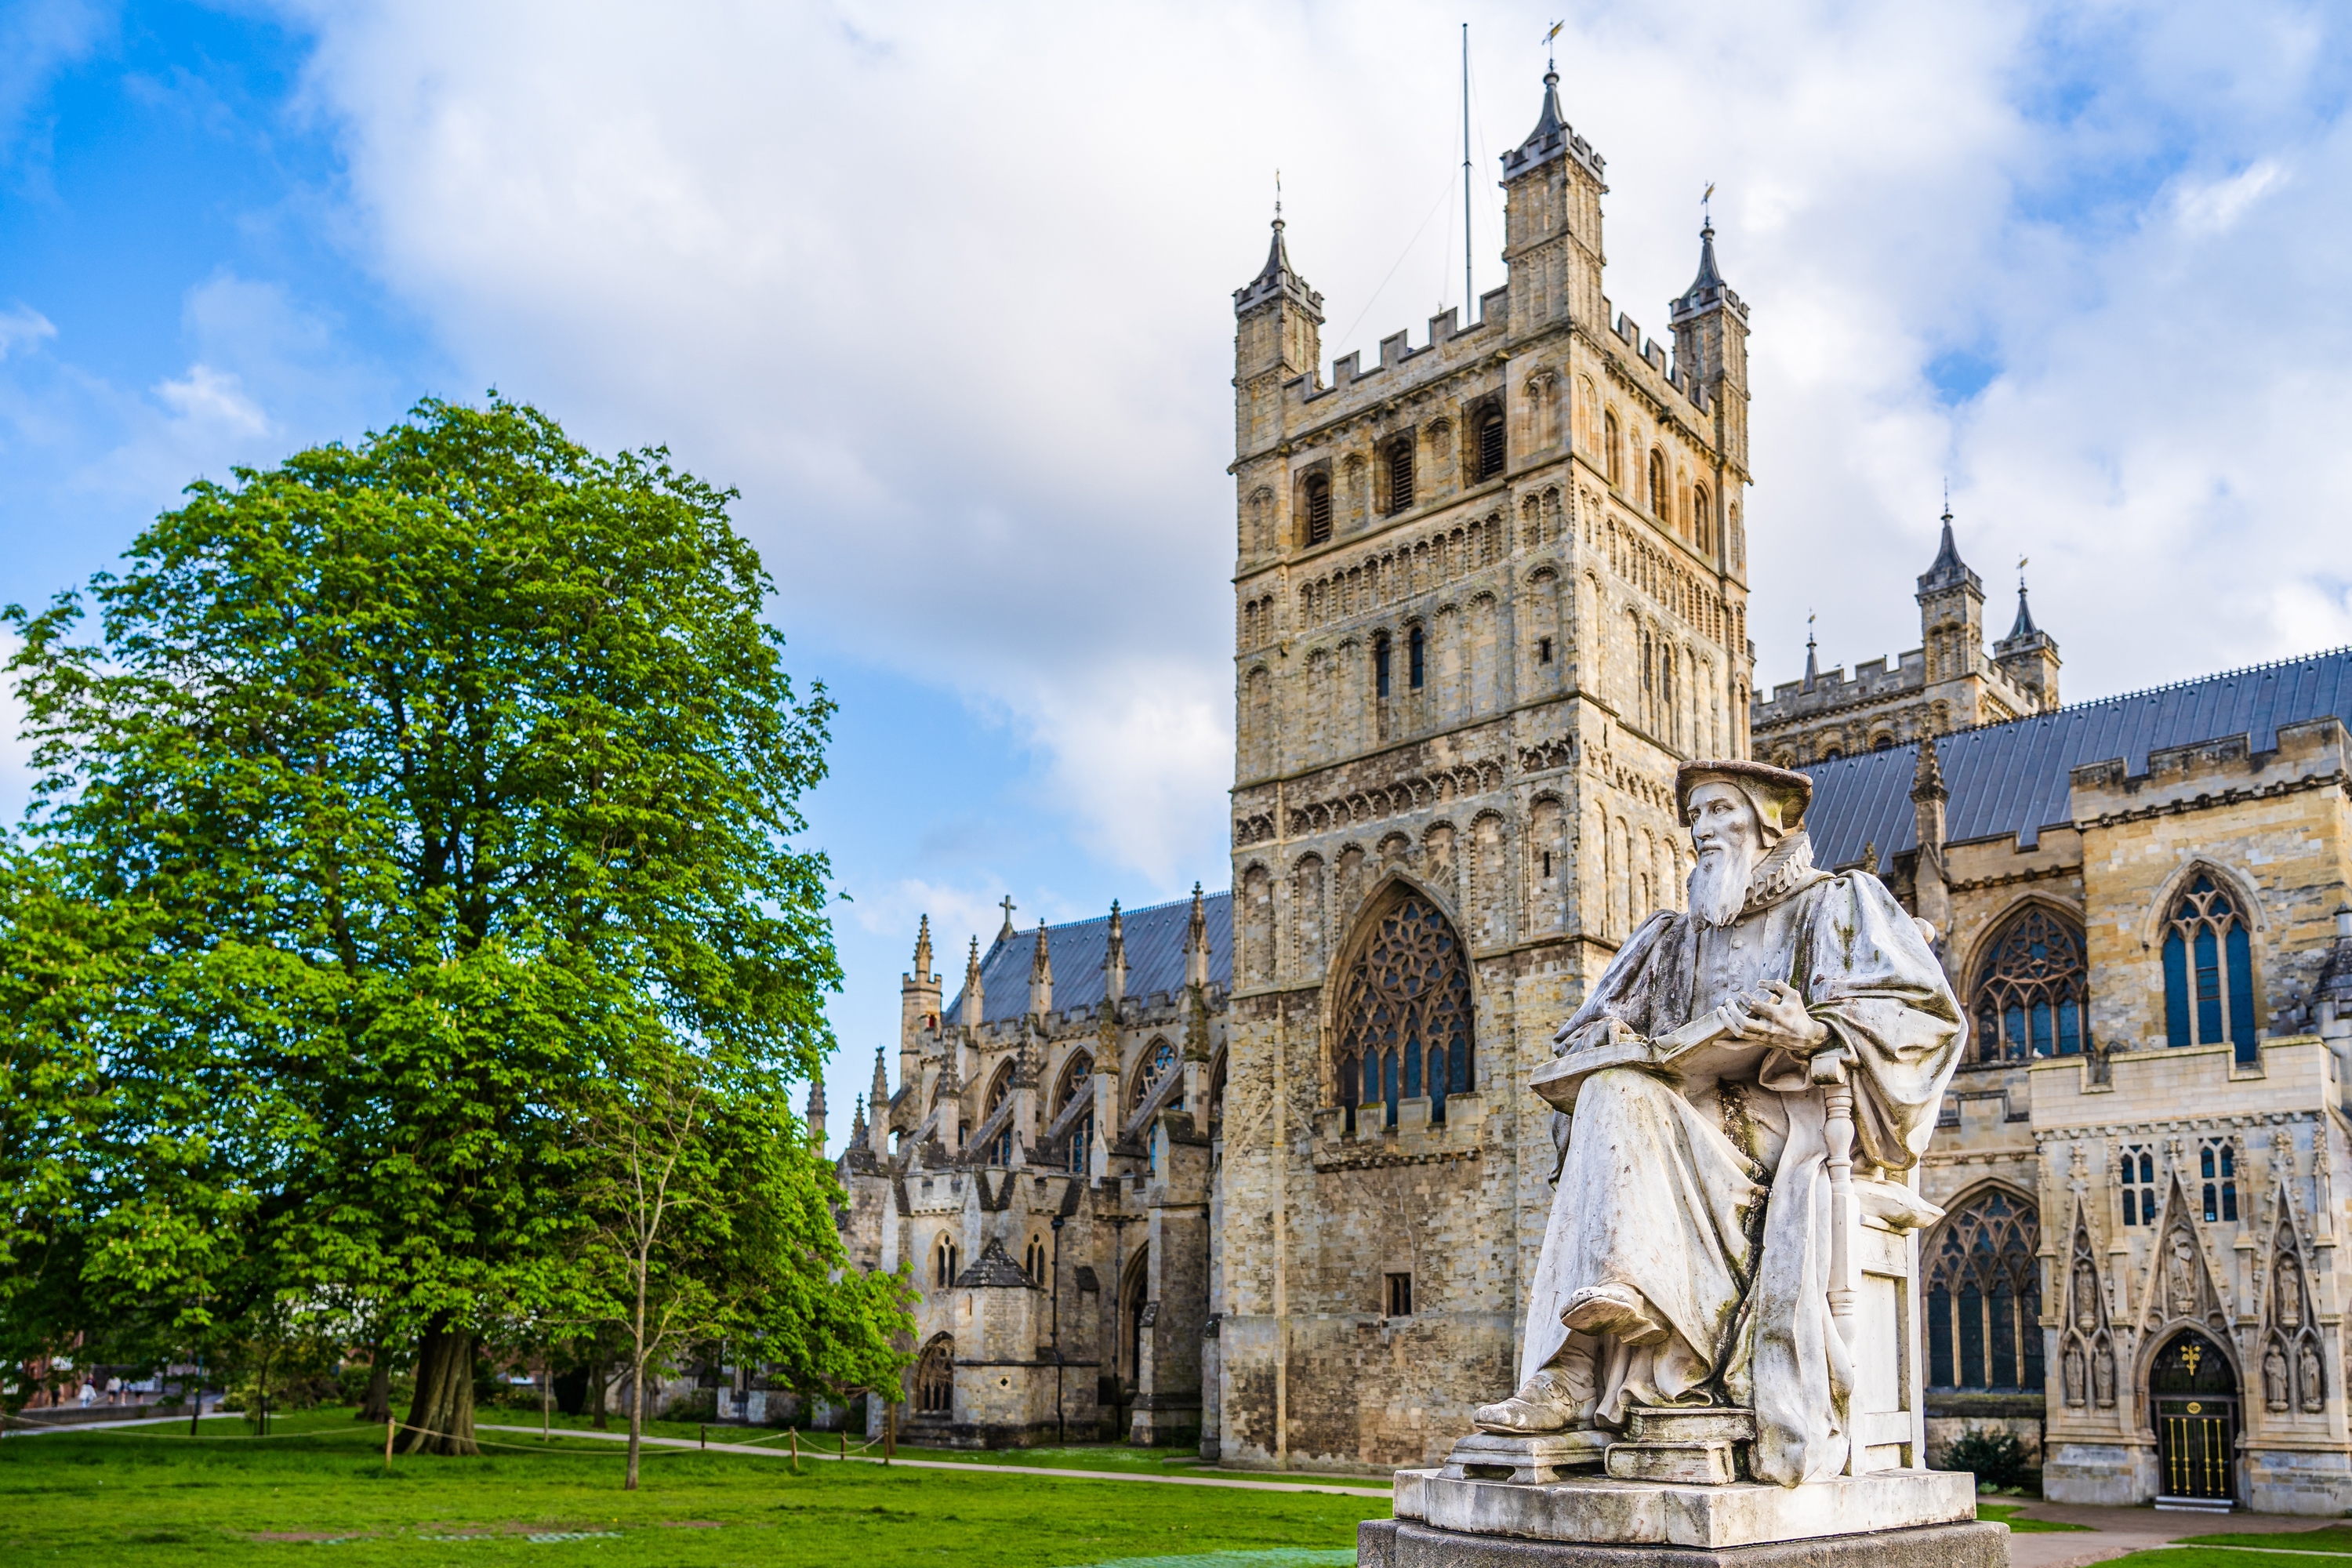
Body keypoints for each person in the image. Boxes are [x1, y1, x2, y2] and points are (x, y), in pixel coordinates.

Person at [1474, 760, 1964, 1485]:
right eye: (1695, 815)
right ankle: (1585, 1351)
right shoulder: (1669, 939)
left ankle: (1583, 1363)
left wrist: (1817, 1031)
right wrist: (1609, 1035)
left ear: (1769, 822)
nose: (1700, 829)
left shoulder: (1839, 904)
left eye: (1718, 811)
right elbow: (1576, 1038)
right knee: (1613, 1088)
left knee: (1624, 1102)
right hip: (1676, 1115)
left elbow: (1925, 1020)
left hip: (1791, 1124)